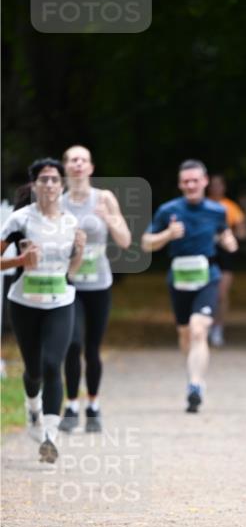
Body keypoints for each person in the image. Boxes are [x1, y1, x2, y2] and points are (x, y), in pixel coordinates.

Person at [0, 159, 85, 462]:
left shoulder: (71, 222)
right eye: (43, 179)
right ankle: (32, 407)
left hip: (60, 302)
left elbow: (72, 271)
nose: (49, 184)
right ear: (34, 185)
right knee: (33, 369)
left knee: (53, 364)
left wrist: (81, 251)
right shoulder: (20, 219)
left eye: (54, 179)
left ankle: (50, 435)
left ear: (61, 186)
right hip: (24, 303)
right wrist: (20, 262)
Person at [141, 160, 238, 412]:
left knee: (199, 329)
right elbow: (146, 243)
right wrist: (167, 235)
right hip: (180, 277)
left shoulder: (217, 211)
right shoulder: (168, 210)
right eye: (186, 181)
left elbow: (226, 239)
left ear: (205, 181)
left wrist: (228, 242)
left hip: (208, 275)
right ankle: (193, 374)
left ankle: (195, 385)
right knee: (185, 334)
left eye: (195, 180)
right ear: (180, 184)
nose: (191, 185)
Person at [59, 144, 131, 433]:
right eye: (72, 160)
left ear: (91, 167)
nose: (78, 164)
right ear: (65, 167)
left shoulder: (105, 198)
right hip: (70, 283)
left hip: (99, 283)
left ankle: (94, 405)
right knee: (72, 344)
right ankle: (71, 406)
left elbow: (125, 240)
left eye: (83, 160)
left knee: (92, 348)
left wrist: (110, 219)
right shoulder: (59, 203)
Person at [206, 173, 246, 347]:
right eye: (213, 185)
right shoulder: (202, 205)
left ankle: (218, 329)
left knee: (221, 294)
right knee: (205, 292)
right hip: (205, 253)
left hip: (224, 254)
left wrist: (231, 235)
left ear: (224, 187)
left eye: (219, 185)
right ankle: (205, 325)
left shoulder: (230, 207)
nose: (216, 188)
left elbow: (243, 232)